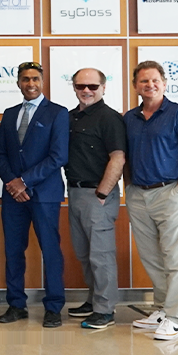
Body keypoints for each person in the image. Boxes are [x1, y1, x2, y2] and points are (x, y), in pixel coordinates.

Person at [124, 61, 178, 341]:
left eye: (155, 80)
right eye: (144, 81)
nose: (150, 85)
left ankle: (174, 317)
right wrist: (128, 188)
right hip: (138, 194)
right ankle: (161, 308)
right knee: (151, 257)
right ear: (135, 85)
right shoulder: (130, 117)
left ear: (164, 83)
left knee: (175, 258)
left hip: (170, 192)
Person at [0, 61, 68, 328]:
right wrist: (13, 183)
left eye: (35, 78)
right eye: (25, 79)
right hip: (13, 196)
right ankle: (16, 304)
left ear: (43, 81)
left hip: (44, 194)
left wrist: (25, 181)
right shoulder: (9, 112)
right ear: (18, 83)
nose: (30, 83)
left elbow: (58, 156)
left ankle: (54, 307)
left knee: (51, 250)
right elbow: (0, 154)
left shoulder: (58, 113)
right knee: (13, 251)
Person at [63, 68, 126, 330]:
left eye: (92, 86)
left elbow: (118, 157)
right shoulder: (69, 117)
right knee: (85, 253)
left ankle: (105, 309)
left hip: (97, 194)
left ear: (103, 87)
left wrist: (102, 192)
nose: (86, 90)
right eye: (80, 86)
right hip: (75, 193)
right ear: (74, 88)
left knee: (101, 255)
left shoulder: (109, 118)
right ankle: (93, 299)